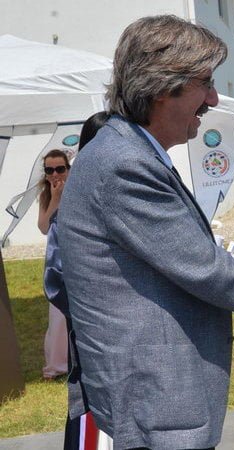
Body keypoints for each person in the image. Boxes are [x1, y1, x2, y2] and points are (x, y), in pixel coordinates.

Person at [58, 15, 234, 450]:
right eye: (205, 84)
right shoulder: (124, 164)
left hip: (154, 386)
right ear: (161, 86)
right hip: (158, 394)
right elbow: (207, 271)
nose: (212, 98)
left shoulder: (127, 151)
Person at [43, 111, 113, 450]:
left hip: (128, 342)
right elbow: (55, 278)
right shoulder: (71, 203)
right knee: (92, 413)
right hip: (93, 335)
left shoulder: (123, 193)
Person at [37, 148, 70, 380]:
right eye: (50, 170)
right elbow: (44, 227)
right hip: (57, 258)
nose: (55, 174)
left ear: (68, 168)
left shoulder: (79, 186)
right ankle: (58, 364)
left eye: (60, 168)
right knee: (57, 313)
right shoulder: (46, 194)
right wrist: (55, 198)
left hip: (76, 252)